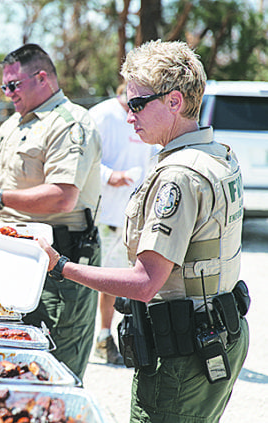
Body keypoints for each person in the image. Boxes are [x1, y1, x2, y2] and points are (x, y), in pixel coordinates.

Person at [38, 40, 249, 422]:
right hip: (214, 336)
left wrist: (60, 266)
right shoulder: (218, 154)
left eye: (137, 104)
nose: (129, 115)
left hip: (185, 353)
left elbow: (144, 282)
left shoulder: (179, 177)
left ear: (174, 101)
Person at [0, 44, 102, 380]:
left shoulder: (70, 124)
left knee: (54, 366)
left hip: (58, 265)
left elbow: (61, 197)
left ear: (42, 78)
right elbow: (9, 175)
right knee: (7, 362)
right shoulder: (13, 124)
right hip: (11, 257)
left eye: (14, 85)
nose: (8, 93)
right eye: (4, 87)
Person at [88, 83, 159, 365]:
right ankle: (102, 337)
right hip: (103, 213)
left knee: (122, 279)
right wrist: (110, 176)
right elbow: (84, 159)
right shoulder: (102, 115)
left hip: (134, 214)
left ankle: (112, 337)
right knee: (103, 278)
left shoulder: (150, 114)